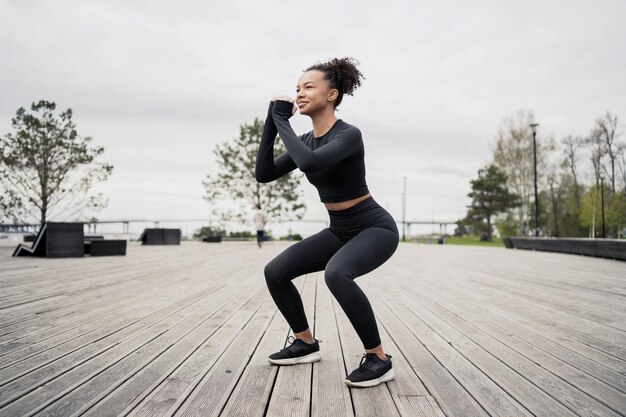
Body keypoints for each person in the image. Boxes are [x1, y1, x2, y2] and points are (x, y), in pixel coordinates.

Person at [255, 57, 399, 388]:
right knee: (275, 272)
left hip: (374, 227)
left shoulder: (348, 135)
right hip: (339, 229)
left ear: (332, 94)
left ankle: (378, 358)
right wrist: (270, 123)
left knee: (337, 273)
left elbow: (310, 163)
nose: (299, 94)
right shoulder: (305, 140)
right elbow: (264, 174)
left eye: (308, 87)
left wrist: (282, 122)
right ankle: (305, 343)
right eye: (296, 89)